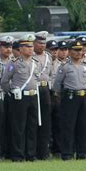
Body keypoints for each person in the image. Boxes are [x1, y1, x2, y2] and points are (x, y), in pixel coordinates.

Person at [1, 34, 40, 162]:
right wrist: (12, 92)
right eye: (27, 46)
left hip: (33, 96)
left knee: (32, 126)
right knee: (19, 127)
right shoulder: (14, 63)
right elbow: (4, 81)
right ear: (21, 49)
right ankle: (18, 154)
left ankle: (31, 154)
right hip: (19, 98)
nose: (30, 49)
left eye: (31, 46)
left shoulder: (36, 63)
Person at [53, 41, 86, 160]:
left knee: (82, 125)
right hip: (70, 97)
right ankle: (67, 153)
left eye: (80, 50)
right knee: (68, 126)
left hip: (83, 96)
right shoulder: (64, 66)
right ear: (69, 51)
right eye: (76, 50)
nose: (79, 52)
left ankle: (81, 152)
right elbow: (57, 85)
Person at [0, 35, 13, 161]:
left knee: (12, 125)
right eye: (5, 47)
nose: (8, 49)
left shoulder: (15, 61)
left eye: (10, 47)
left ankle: (9, 151)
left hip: (12, 97)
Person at [33, 31, 52, 160]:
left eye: (44, 43)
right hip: (34, 88)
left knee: (45, 121)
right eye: (39, 43)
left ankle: (44, 151)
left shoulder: (48, 57)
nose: (42, 46)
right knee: (33, 121)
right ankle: (32, 151)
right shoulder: (30, 56)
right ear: (34, 43)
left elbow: (50, 74)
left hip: (45, 88)